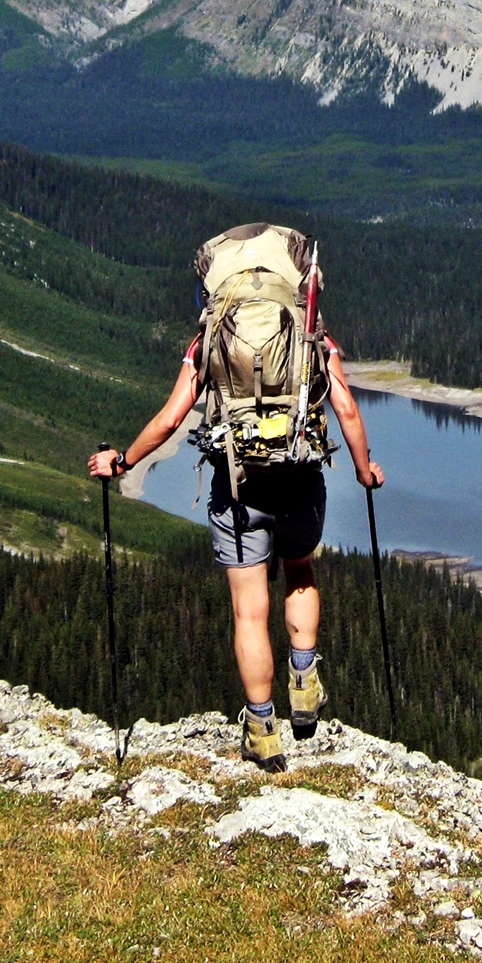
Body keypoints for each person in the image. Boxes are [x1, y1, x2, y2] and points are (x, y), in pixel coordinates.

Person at [89, 290, 383, 771]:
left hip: (238, 492)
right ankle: (305, 681)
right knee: (301, 571)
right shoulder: (311, 335)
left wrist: (122, 461)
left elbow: (170, 419)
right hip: (300, 483)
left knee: (249, 611)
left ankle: (263, 732)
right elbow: (346, 409)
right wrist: (364, 469)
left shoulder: (209, 339)